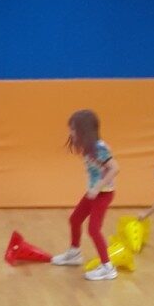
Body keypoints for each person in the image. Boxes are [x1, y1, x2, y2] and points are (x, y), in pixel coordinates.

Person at [51, 109, 119, 281]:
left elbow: (114, 168)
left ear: (84, 130)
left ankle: (108, 267)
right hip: (94, 193)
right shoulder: (88, 148)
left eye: (73, 129)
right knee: (75, 219)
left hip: (103, 194)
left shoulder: (100, 148)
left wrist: (97, 187)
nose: (71, 133)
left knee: (93, 229)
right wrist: (93, 189)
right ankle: (74, 253)